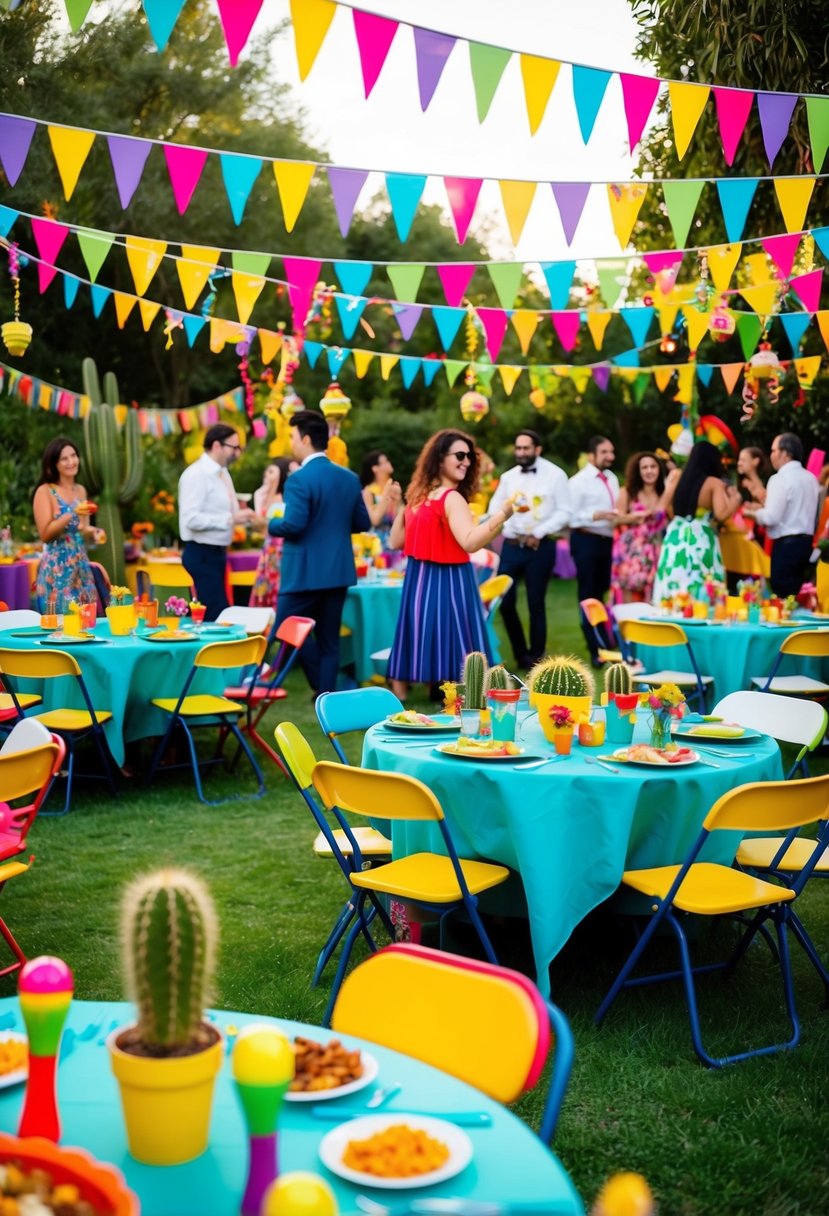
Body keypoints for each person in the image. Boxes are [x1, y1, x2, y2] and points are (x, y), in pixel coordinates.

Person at [387, 429, 516, 700]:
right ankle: (466, 689)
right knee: (458, 632)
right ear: (439, 458)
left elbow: (395, 541)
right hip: (451, 576)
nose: (466, 461)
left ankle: (404, 692)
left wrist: (400, 506)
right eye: (459, 455)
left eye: (469, 456)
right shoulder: (451, 498)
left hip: (418, 577)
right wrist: (502, 514)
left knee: (420, 629)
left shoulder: (419, 496)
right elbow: (470, 542)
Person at [268, 409, 371, 696]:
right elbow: (362, 522)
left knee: (285, 632)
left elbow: (293, 524)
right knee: (329, 642)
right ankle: (325, 697)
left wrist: (270, 522)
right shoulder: (349, 478)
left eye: (292, 436)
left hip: (303, 573)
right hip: (337, 571)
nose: (291, 442)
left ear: (306, 439)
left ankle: (322, 691)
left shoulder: (299, 480)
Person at [488, 428, 571, 669]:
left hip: (541, 547)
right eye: (518, 448)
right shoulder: (507, 477)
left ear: (538, 449)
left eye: (526, 448)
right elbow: (495, 508)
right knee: (504, 600)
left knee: (536, 603)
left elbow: (565, 511)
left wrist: (539, 532)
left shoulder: (556, 475)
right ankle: (520, 653)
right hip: (512, 545)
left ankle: (535, 659)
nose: (521, 452)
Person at [177, 423, 255, 620]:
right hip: (201, 554)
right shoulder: (196, 474)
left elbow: (231, 513)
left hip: (218, 554)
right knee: (217, 616)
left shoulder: (223, 473)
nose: (237, 453)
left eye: (239, 448)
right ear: (217, 446)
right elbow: (191, 519)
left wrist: (246, 517)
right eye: (233, 447)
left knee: (217, 614)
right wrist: (230, 519)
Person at [651, 440, 742, 603]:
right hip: (700, 537)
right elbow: (721, 514)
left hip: (675, 535)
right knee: (702, 579)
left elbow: (664, 507)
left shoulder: (678, 477)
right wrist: (736, 499)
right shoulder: (713, 483)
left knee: (674, 579)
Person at [33, 436, 106, 612]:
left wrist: (94, 532)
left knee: (87, 622)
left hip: (80, 566)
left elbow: (80, 529)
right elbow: (45, 534)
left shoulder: (80, 490)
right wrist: (71, 512)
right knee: (60, 625)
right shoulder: (45, 491)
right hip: (56, 568)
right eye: (64, 458)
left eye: (73, 455)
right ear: (54, 464)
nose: (71, 462)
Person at [742, 433, 819, 598]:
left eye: (774, 450)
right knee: (801, 596)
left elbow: (771, 517)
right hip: (806, 545)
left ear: (785, 453)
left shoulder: (779, 479)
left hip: (786, 547)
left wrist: (750, 513)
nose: (772, 455)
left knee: (783, 597)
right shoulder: (811, 479)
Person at [568, 436, 620, 666]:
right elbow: (568, 517)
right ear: (591, 455)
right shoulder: (577, 482)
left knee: (603, 594)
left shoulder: (612, 478)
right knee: (588, 595)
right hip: (586, 541)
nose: (610, 456)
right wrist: (594, 515)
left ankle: (605, 642)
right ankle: (594, 648)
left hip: (608, 542)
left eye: (611, 451)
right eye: (604, 452)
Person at [610, 452, 672, 604]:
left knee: (653, 597)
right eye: (644, 467)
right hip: (632, 554)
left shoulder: (664, 494)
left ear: (659, 469)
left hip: (657, 551)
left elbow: (673, 520)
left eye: (653, 467)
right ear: (638, 471)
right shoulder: (627, 492)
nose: (649, 471)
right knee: (629, 599)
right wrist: (634, 517)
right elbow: (615, 520)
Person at [249, 458, 296, 608]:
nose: (267, 475)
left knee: (279, 585)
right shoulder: (262, 496)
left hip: (281, 549)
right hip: (268, 549)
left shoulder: (286, 498)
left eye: (272, 471)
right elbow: (259, 522)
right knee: (266, 584)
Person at [359, 450, 402, 553]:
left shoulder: (393, 488)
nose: (389, 463)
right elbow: (374, 520)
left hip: (394, 542)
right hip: (376, 546)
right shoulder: (368, 492)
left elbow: (401, 519)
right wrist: (386, 495)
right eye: (385, 461)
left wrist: (397, 500)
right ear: (375, 468)